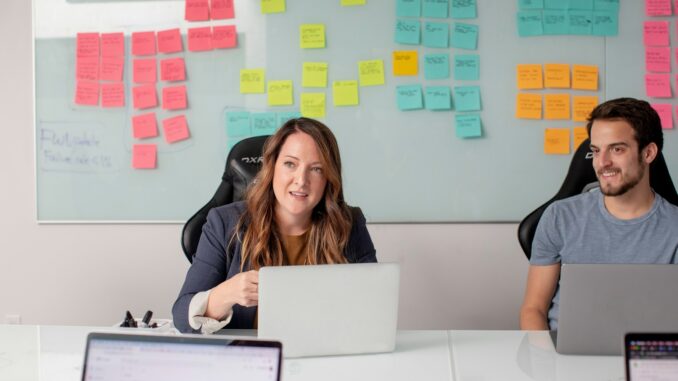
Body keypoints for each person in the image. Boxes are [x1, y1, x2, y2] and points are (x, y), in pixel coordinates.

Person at [173, 118, 377, 333]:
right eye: (290, 164)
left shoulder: (349, 223)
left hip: (323, 353)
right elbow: (181, 317)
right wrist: (226, 294)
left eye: (316, 169)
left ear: (328, 177)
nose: (301, 180)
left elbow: (374, 306)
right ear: (272, 167)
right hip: (251, 357)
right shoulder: (224, 223)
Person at [520, 97, 678, 331]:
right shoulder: (559, 217)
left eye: (616, 149)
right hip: (565, 356)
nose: (602, 163)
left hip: (648, 356)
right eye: (596, 150)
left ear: (648, 153)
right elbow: (534, 309)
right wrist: (545, 360)